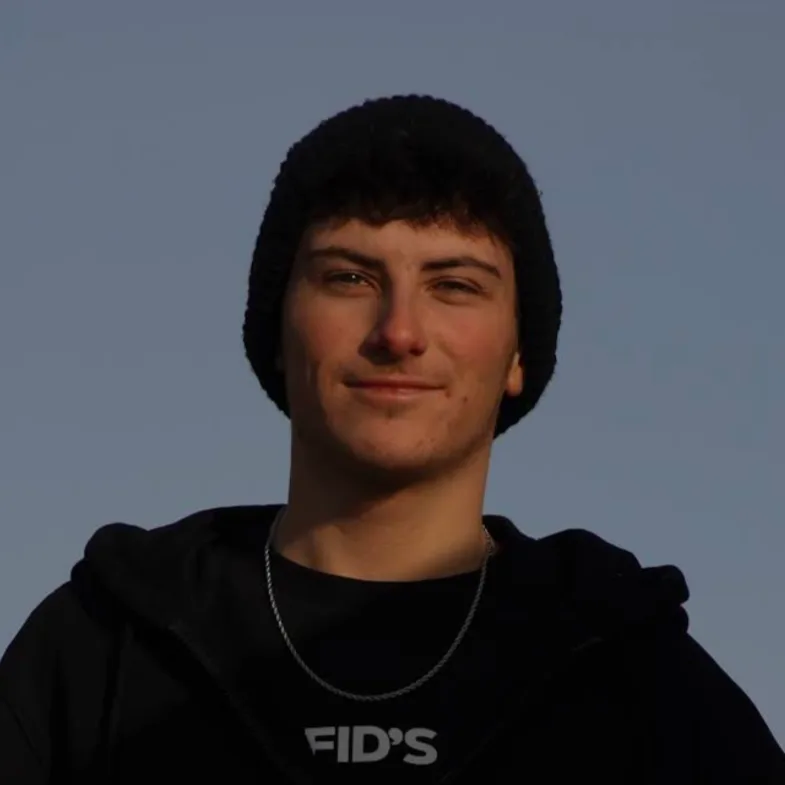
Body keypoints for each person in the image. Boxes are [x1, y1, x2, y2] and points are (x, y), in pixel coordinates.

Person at [1, 95, 783, 785]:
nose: (399, 331)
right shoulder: (108, 642)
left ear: (518, 353)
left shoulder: (624, 665)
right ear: (278, 328)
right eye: (349, 277)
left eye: (455, 285)